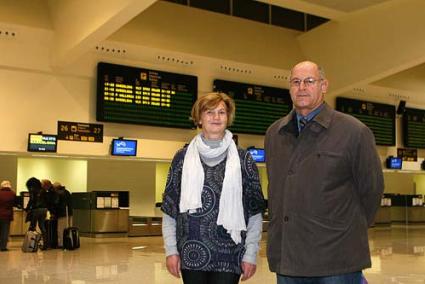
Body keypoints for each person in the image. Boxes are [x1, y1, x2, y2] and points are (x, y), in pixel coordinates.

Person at [264, 61, 384, 283]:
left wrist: (342, 229)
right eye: (296, 82)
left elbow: (372, 190)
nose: (302, 87)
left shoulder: (354, 132)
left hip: (336, 259)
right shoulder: (275, 134)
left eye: (309, 81)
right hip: (288, 258)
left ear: (324, 85)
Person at [161, 92, 266, 284]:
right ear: (199, 118)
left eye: (221, 112)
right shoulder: (182, 158)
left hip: (229, 252)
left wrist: (250, 253)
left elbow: (255, 211)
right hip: (192, 253)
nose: (216, 117)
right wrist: (171, 250)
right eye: (209, 112)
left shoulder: (244, 160)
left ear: (228, 118)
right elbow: (170, 209)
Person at [26, 177, 49, 250]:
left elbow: (31, 200)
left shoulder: (32, 190)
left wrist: (27, 208)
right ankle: (45, 244)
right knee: (42, 227)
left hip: (36, 210)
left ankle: (31, 245)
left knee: (32, 227)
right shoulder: (43, 190)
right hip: (44, 209)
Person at [53, 182, 73, 248]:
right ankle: (70, 242)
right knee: (68, 229)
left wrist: (54, 212)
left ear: (56, 188)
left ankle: (61, 243)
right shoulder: (67, 192)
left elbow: (57, 204)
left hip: (62, 214)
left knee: (61, 229)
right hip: (69, 213)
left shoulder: (59, 193)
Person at [0, 180, 16, 251]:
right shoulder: (12, 193)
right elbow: (14, 203)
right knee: (5, 231)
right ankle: (3, 247)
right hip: (7, 215)